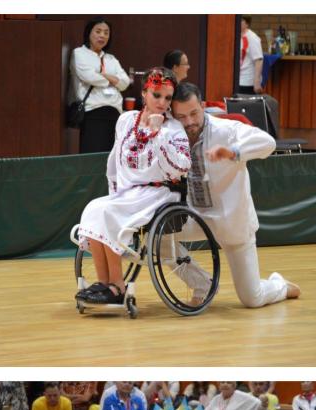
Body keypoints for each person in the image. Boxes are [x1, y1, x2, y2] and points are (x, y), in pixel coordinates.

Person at [170, 82, 301, 308]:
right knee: (158, 239)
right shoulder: (171, 135)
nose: (189, 122)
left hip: (232, 222)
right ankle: (203, 285)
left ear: (202, 106)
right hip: (196, 219)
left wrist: (233, 153)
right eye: (181, 117)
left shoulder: (227, 130)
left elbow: (268, 143)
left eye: (193, 113)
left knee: (252, 298)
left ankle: (278, 284)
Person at [73, 67, 190, 306]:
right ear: (145, 93)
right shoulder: (126, 120)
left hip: (160, 191)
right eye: (157, 95)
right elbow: (115, 161)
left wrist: (158, 134)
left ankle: (118, 285)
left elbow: (180, 168)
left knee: (108, 212)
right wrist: (115, 192)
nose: (162, 102)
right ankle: (104, 282)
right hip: (131, 192)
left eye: (168, 98)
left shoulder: (173, 128)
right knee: (96, 208)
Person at [70, 18, 131, 154]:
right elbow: (89, 77)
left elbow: (125, 83)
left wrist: (104, 76)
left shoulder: (111, 59)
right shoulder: (79, 53)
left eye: (106, 33)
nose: (102, 36)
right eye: (98, 31)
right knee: (92, 157)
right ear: (88, 33)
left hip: (115, 113)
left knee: (110, 159)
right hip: (93, 113)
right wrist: (114, 80)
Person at [238, 16, 264, 95]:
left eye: (241, 20)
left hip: (247, 81)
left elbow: (259, 60)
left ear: (247, 24)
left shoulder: (252, 38)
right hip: (237, 80)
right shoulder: (237, 36)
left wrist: (256, 81)